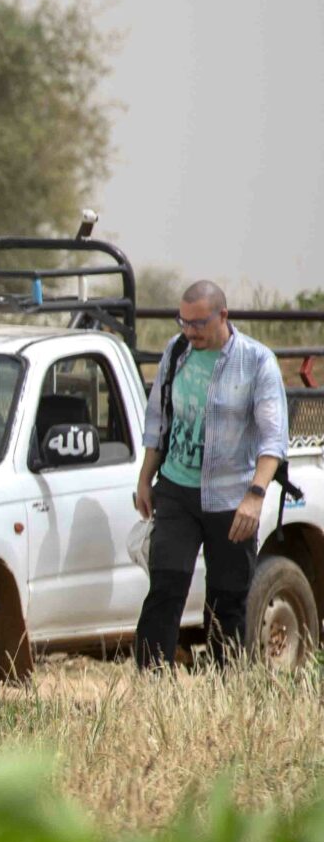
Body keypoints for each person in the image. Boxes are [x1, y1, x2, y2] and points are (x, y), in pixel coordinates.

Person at [134, 279, 290, 668]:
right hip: (176, 490)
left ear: (223, 315)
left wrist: (255, 496)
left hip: (231, 500)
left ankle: (228, 689)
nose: (189, 331)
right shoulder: (176, 352)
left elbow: (273, 440)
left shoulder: (257, 362)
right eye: (183, 322)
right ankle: (150, 687)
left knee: (227, 600)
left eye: (198, 323)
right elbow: (158, 420)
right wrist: (145, 478)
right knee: (165, 588)